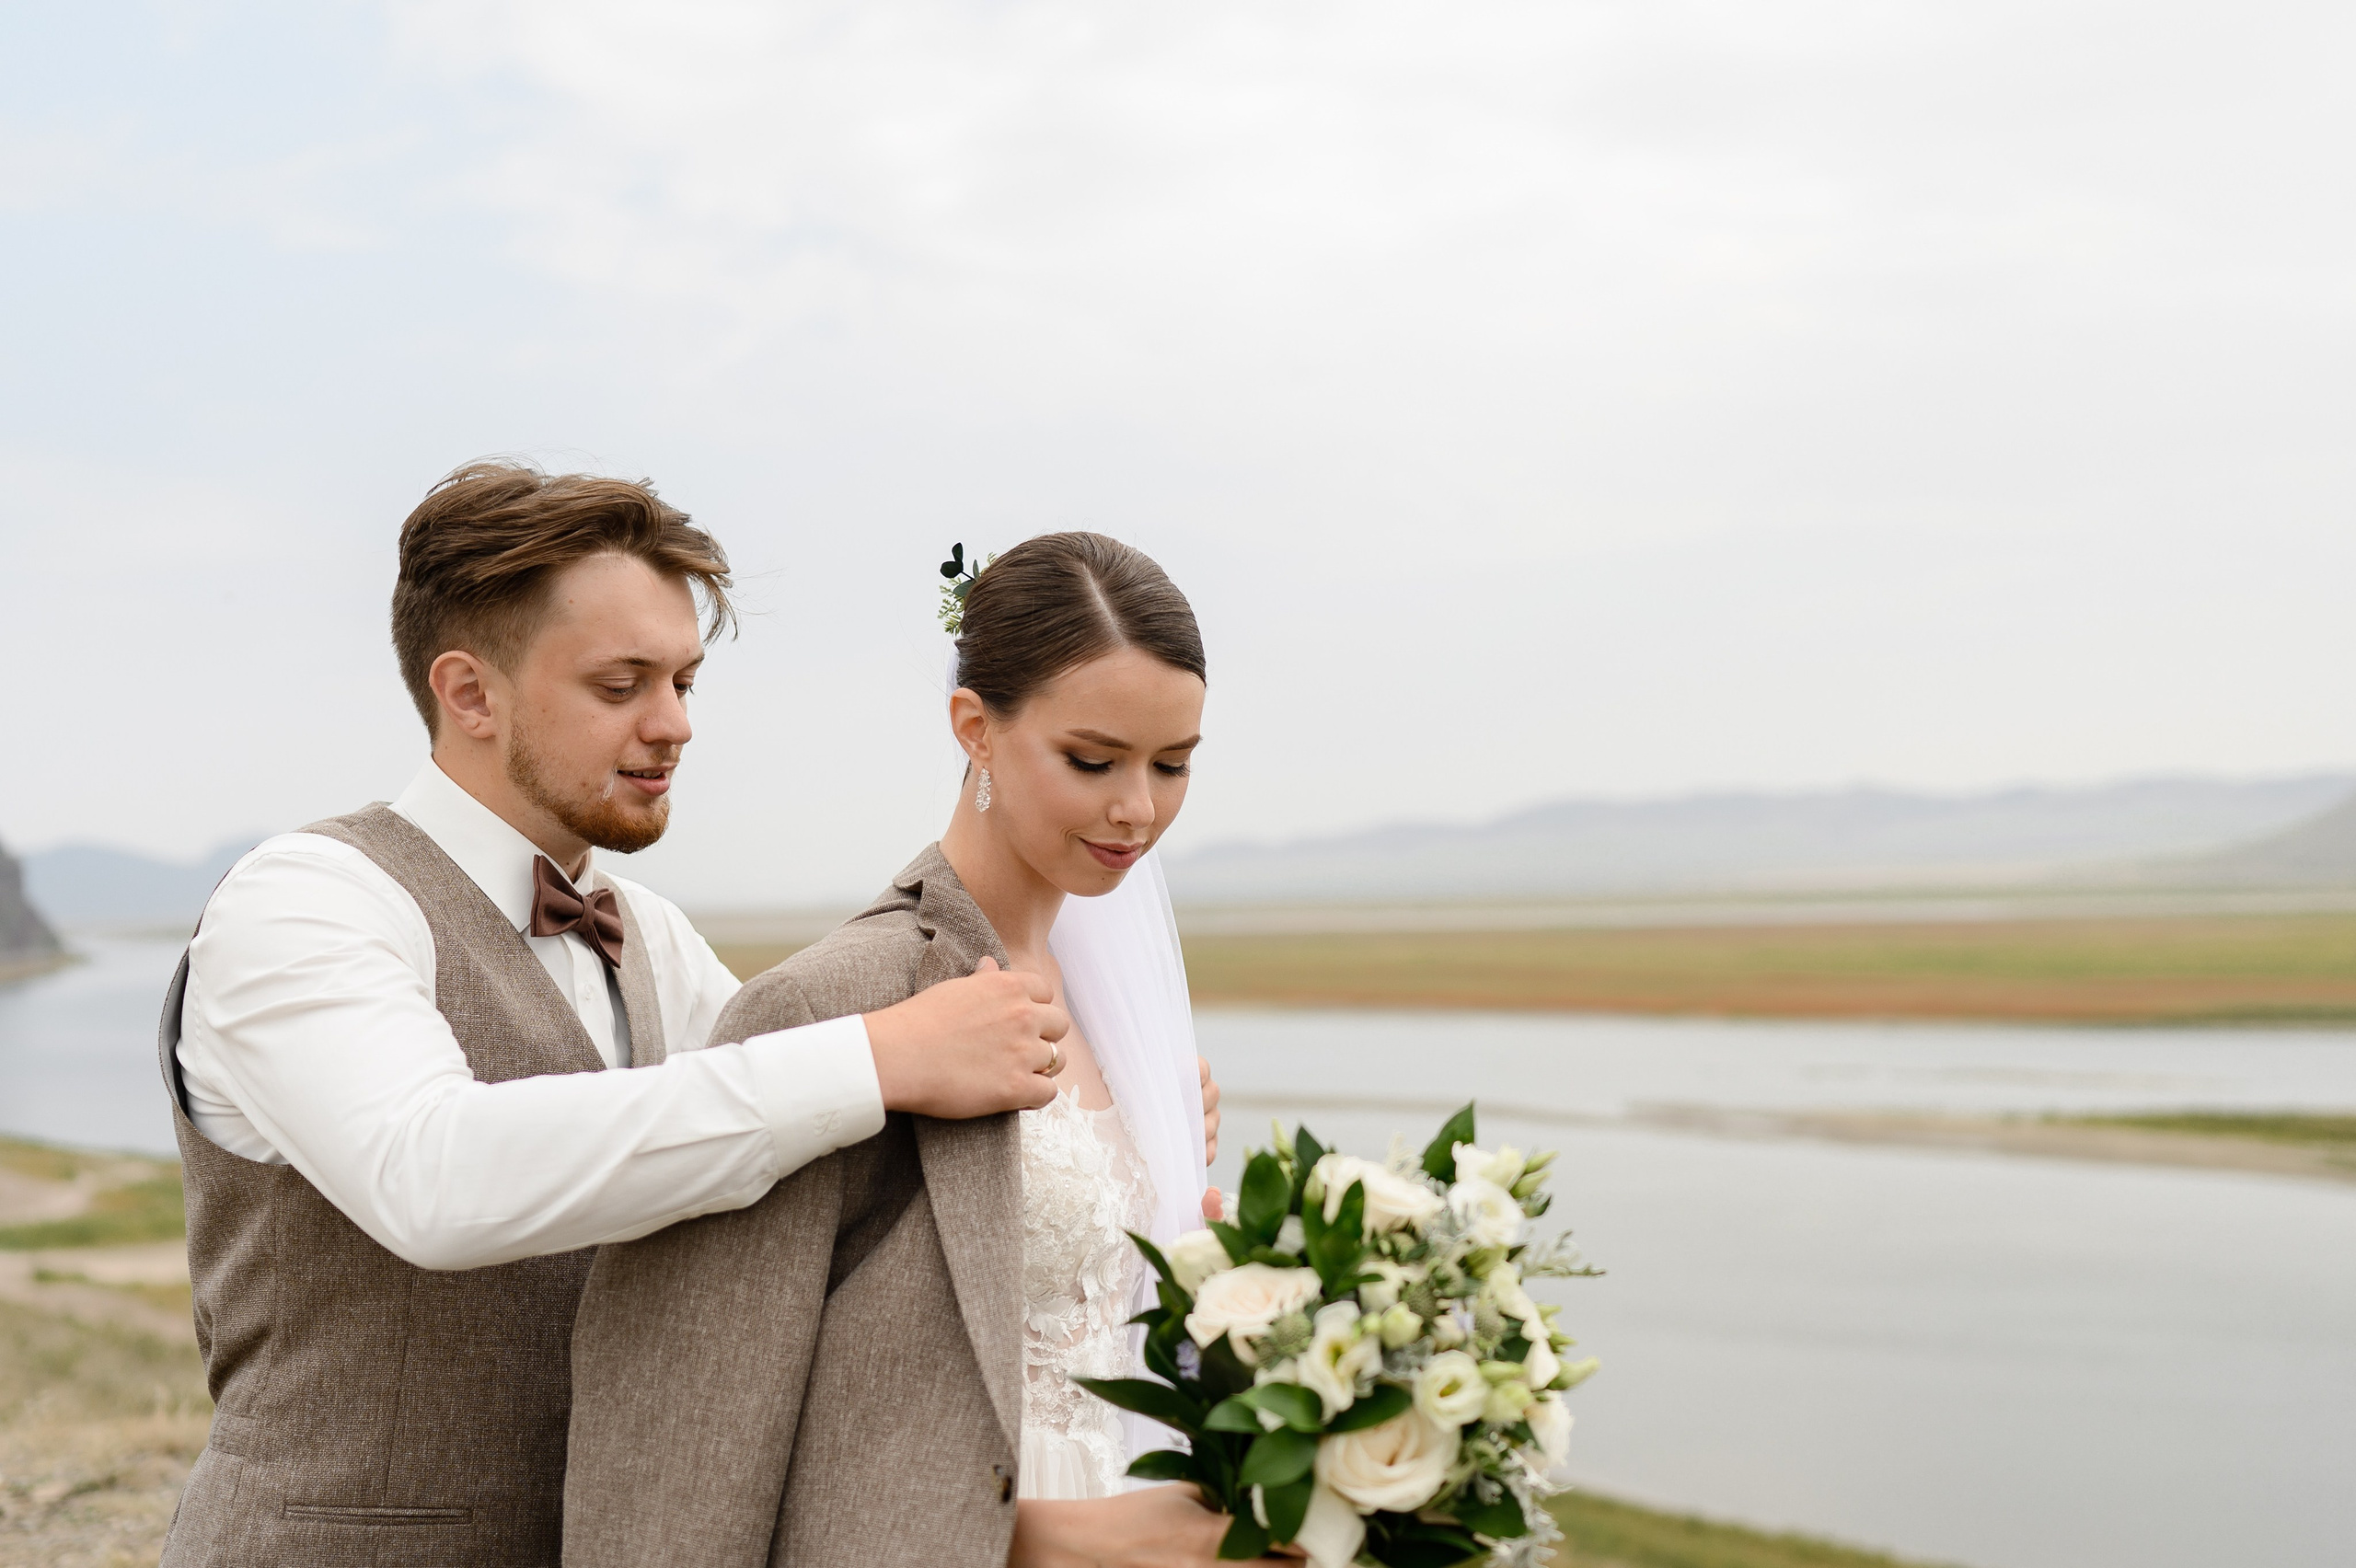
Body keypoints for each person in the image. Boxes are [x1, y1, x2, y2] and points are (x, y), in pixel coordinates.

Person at [156, 464, 1077, 1568]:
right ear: (470, 694)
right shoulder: (303, 900)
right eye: (621, 684)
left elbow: (815, 1183)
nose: (674, 723)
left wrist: (1095, 1117)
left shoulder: (651, 934)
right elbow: (431, 1180)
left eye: (684, 681)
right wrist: (872, 1056)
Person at [561, 533, 1275, 1568]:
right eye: (1093, 760)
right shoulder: (832, 1003)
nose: (1138, 809)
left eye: (1173, 764)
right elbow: (693, 1444)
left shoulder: (1128, 1017)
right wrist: (1046, 1543)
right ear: (975, 728)